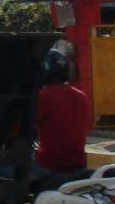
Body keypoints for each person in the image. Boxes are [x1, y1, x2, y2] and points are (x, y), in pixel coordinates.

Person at [33, 50, 91, 181]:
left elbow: (23, 127)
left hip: (50, 165)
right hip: (79, 163)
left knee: (1, 170)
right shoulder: (81, 96)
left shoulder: (43, 96)